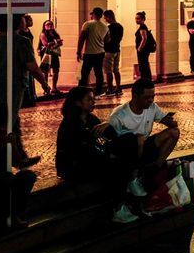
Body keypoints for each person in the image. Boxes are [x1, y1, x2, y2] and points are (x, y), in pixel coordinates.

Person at [55, 87, 142, 223]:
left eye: (93, 99)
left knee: (130, 139)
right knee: (115, 165)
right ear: (78, 103)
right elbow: (79, 151)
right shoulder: (70, 123)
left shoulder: (91, 119)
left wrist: (108, 126)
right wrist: (107, 154)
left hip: (94, 157)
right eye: (89, 99)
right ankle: (118, 207)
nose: (93, 102)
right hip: (74, 166)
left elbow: (109, 136)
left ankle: (132, 179)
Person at [0, 15, 47, 168]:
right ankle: (13, 158)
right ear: (16, 22)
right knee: (8, 122)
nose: (24, 20)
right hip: (9, 87)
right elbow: (32, 67)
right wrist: (44, 83)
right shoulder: (21, 41)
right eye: (21, 18)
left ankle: (17, 156)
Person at [107, 79, 180, 194]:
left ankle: (154, 169)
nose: (150, 101)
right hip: (128, 154)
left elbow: (164, 119)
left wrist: (170, 121)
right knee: (139, 139)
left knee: (174, 132)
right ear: (135, 96)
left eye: (153, 97)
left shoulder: (152, 107)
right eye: (147, 98)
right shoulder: (119, 115)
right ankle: (134, 176)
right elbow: (114, 146)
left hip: (145, 147)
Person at [0, 105, 36, 232]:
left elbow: (17, 163)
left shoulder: (4, 137)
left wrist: (13, 146)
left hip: (4, 177)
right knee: (5, 179)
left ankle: (16, 213)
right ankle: (9, 216)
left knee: (28, 176)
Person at [77, 7, 107, 93]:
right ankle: (98, 91)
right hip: (100, 52)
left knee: (84, 73)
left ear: (93, 14)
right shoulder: (105, 26)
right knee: (99, 73)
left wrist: (78, 51)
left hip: (89, 53)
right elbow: (107, 40)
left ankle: (81, 91)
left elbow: (81, 39)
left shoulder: (87, 24)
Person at [38, 19, 63, 95]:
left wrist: (55, 43)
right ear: (44, 26)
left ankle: (54, 88)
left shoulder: (56, 34)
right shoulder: (43, 34)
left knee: (56, 70)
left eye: (51, 24)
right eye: (47, 24)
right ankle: (46, 88)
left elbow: (61, 43)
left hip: (54, 53)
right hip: (46, 54)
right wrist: (56, 42)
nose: (50, 25)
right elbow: (46, 44)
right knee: (45, 71)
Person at [102, 9, 124, 95]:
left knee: (108, 71)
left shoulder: (108, 28)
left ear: (109, 17)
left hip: (108, 51)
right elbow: (120, 38)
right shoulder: (120, 26)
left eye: (105, 18)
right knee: (116, 70)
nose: (105, 20)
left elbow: (106, 39)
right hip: (117, 50)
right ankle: (118, 87)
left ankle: (110, 89)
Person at [134, 11, 155, 83]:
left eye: (138, 18)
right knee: (144, 64)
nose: (136, 20)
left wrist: (139, 48)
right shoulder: (143, 26)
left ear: (143, 19)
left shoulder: (142, 27)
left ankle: (146, 80)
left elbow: (144, 38)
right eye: (136, 18)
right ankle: (147, 79)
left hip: (143, 50)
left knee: (143, 65)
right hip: (144, 50)